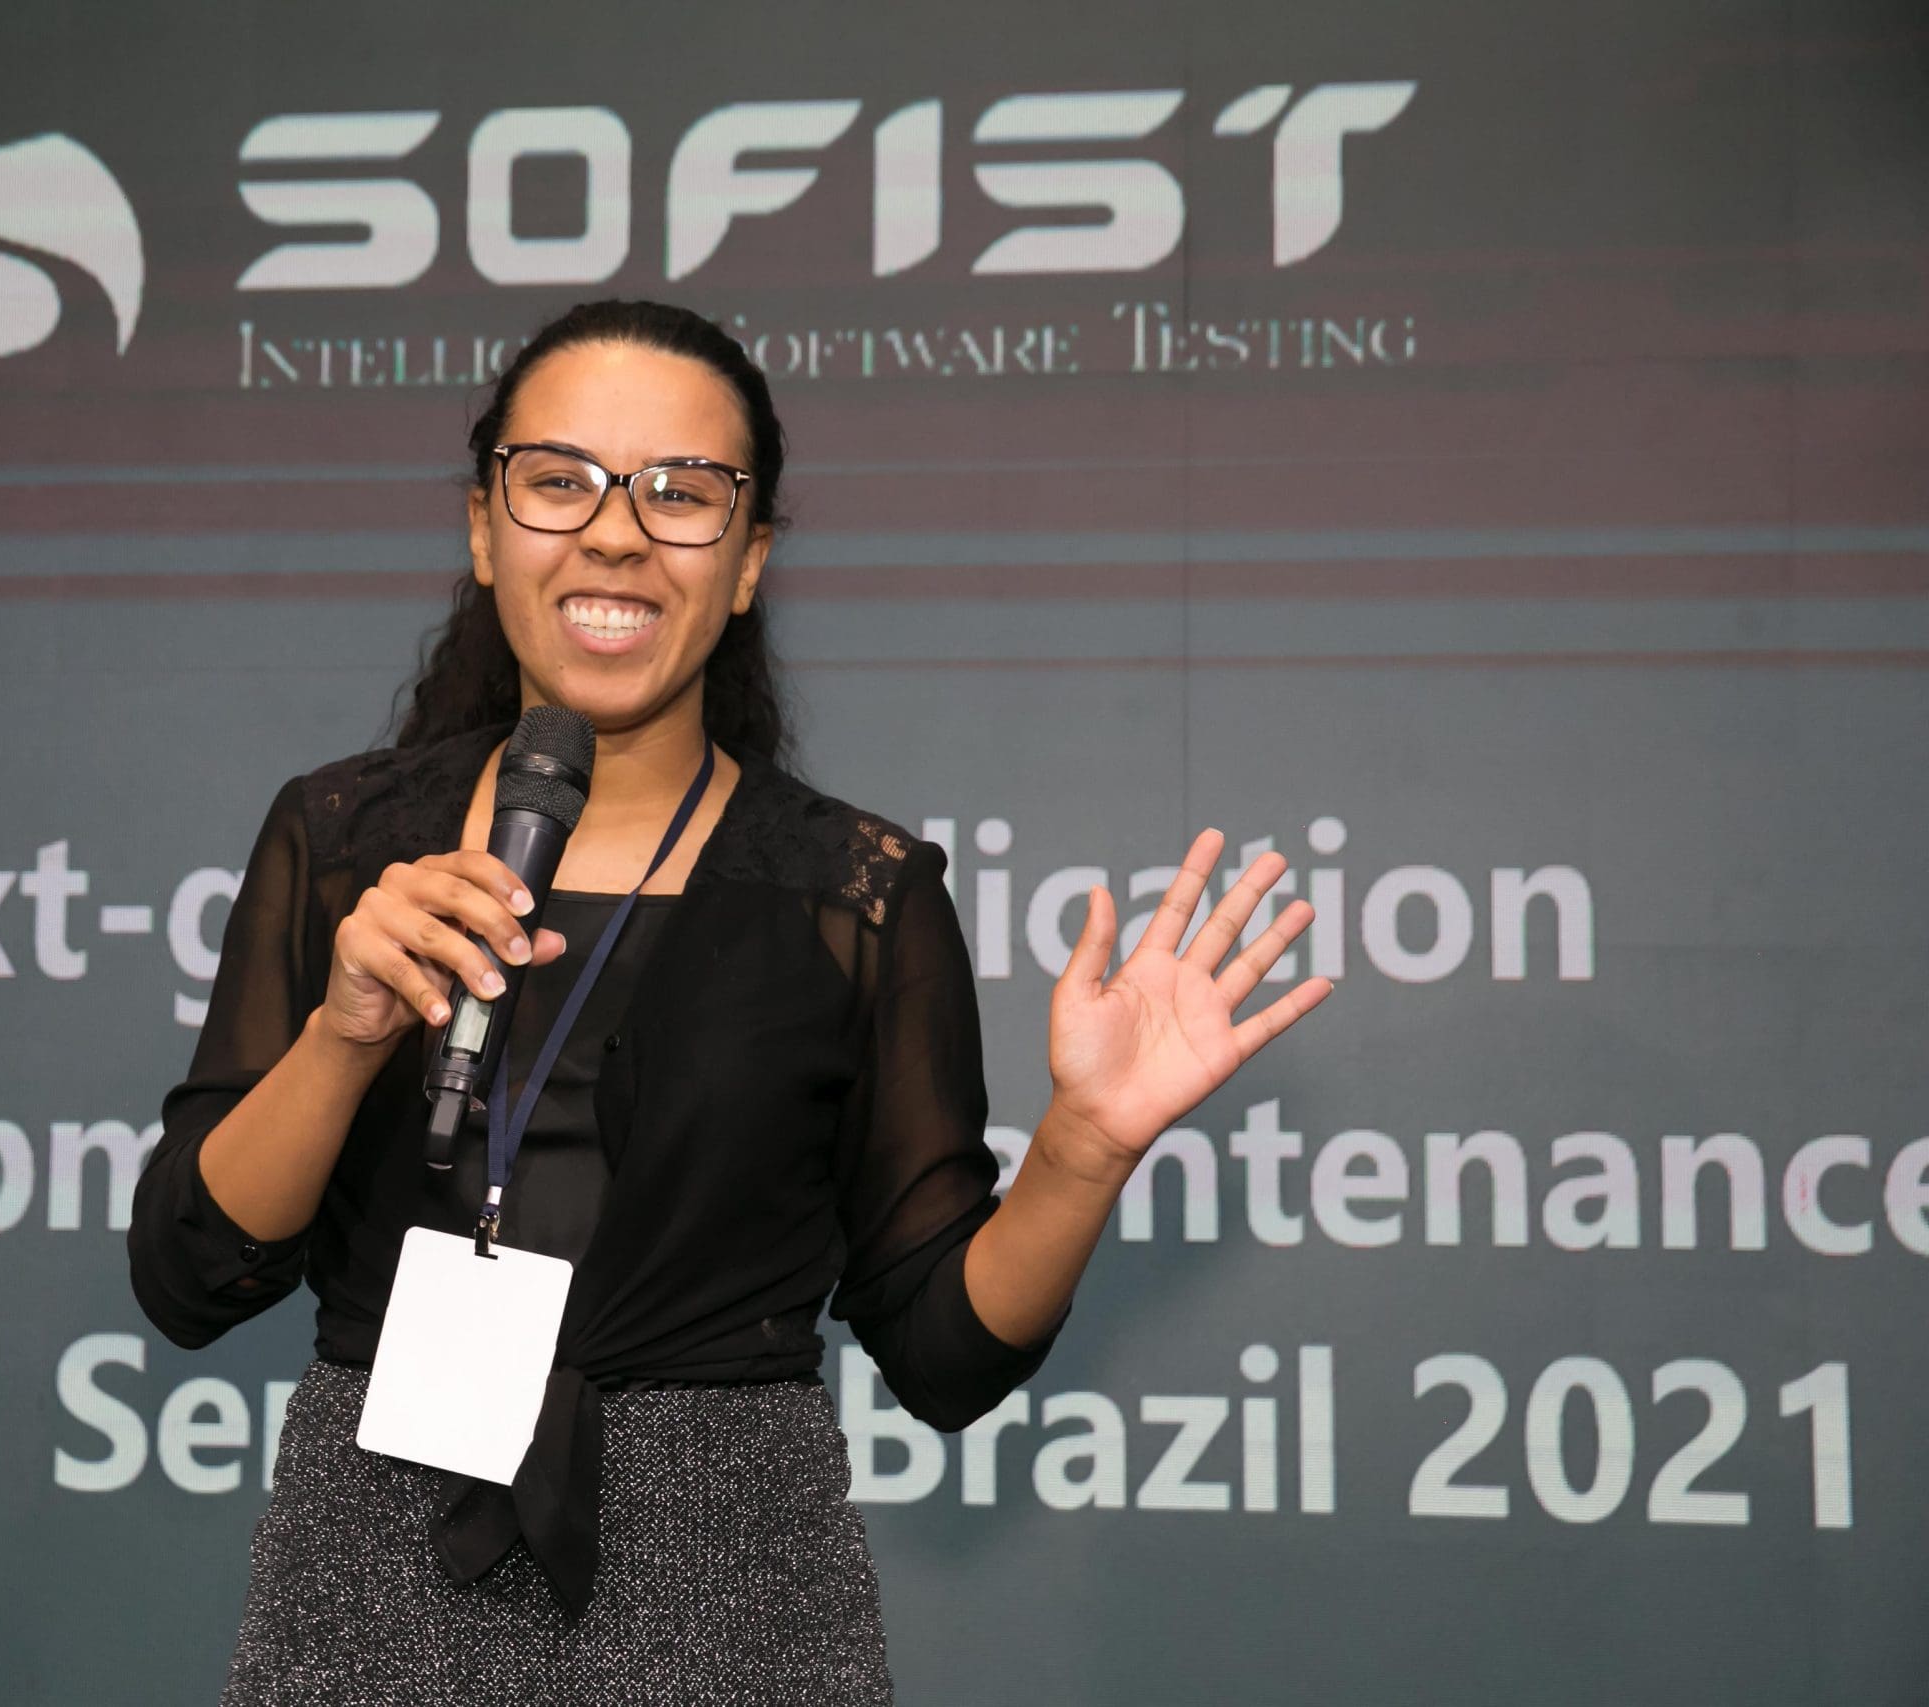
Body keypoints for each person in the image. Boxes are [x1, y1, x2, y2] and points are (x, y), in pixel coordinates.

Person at [128, 298, 1330, 1705]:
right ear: (483, 529)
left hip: (733, 1583)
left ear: (749, 559)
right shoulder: (345, 843)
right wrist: (346, 1035)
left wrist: (1082, 1150)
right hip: (373, 1566)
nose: (615, 534)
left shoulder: (855, 894)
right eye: (559, 481)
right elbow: (191, 1276)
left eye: (682, 493)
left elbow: (942, 1355)